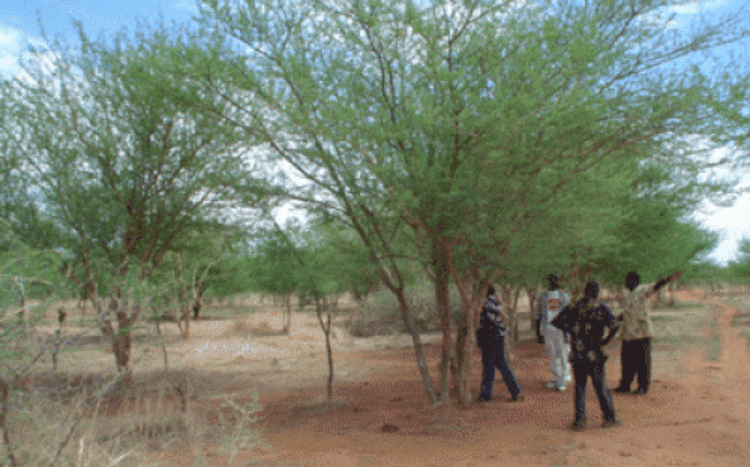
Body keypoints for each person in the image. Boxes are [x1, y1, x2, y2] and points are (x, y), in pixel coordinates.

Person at [552, 281, 621, 430]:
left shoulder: (573, 307)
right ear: (596, 293)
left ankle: (580, 421)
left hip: (578, 355)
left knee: (580, 388)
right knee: (601, 387)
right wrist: (606, 340)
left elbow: (557, 322)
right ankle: (609, 418)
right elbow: (615, 325)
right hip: (595, 353)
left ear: (584, 292)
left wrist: (571, 330)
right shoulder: (600, 308)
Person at [613, 271, 682, 395]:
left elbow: (656, 286)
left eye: (627, 281)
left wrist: (668, 279)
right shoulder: (630, 295)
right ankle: (625, 385)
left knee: (642, 362)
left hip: (641, 334)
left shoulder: (642, 290)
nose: (625, 284)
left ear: (632, 281)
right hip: (628, 334)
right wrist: (618, 319)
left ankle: (643, 386)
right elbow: (629, 312)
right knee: (627, 361)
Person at [476, 286, 525, 403]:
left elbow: (487, 323)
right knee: (502, 364)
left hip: (491, 338)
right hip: (498, 337)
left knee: (489, 366)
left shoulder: (486, 304)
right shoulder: (495, 302)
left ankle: (486, 395)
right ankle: (516, 391)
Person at [535, 274, 571, 391]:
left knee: (562, 354)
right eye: (552, 280)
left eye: (557, 279)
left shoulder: (563, 296)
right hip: (548, 330)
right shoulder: (543, 296)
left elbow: (569, 314)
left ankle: (562, 380)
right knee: (552, 354)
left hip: (561, 331)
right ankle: (556, 377)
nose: (555, 282)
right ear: (548, 281)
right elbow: (538, 314)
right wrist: (538, 332)